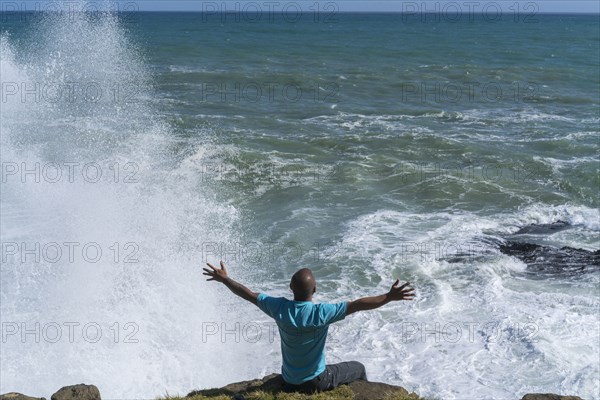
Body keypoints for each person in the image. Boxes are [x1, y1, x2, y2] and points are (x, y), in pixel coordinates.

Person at [203, 261, 415, 393]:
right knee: (358, 367)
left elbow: (247, 294)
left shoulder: (279, 308)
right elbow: (358, 304)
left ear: (290, 288)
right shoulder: (322, 313)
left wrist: (225, 279)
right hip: (315, 382)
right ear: (315, 289)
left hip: (288, 381)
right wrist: (389, 297)